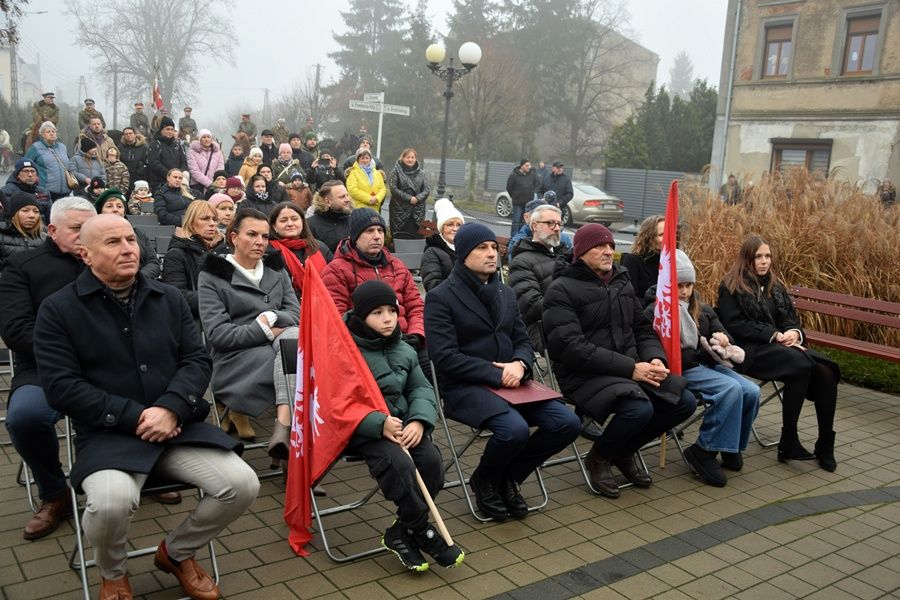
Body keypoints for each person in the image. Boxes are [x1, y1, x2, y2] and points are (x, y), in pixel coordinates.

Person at [33, 213, 258, 600]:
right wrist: (136, 415)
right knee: (110, 503)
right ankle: (113, 573)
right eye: (113, 242)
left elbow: (196, 361)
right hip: (109, 435)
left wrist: (170, 409)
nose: (128, 249)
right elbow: (62, 387)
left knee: (242, 484)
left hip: (176, 428)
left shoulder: (167, 298)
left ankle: (176, 552)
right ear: (85, 254)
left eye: (131, 240)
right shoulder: (59, 310)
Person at [425, 223, 581, 520]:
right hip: (466, 386)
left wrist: (520, 364)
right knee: (514, 430)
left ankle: (509, 478)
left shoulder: (504, 292)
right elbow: (444, 357)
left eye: (494, 248)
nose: (491, 254)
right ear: (463, 254)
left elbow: (522, 339)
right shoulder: (441, 297)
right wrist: (498, 374)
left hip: (513, 380)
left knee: (567, 422)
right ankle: (484, 480)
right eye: (481, 248)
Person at [542, 224, 696, 498]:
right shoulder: (561, 289)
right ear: (581, 252)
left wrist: (655, 358)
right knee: (639, 409)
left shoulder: (621, 281)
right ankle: (599, 457)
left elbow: (641, 328)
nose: (608, 251)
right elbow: (572, 348)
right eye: (599, 246)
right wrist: (631, 368)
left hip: (629, 367)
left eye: (611, 246)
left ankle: (622, 449)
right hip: (584, 373)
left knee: (683, 402)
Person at [345, 280, 464, 571]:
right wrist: (378, 423)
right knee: (399, 464)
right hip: (362, 430)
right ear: (361, 317)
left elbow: (420, 389)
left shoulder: (404, 348)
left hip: (404, 425)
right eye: (377, 313)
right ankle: (421, 529)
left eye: (392, 311)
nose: (388, 319)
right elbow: (339, 400)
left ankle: (400, 533)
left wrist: (420, 421)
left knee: (433, 463)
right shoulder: (344, 351)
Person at [0, 197, 93, 540]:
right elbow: (16, 330)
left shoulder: (110, 260)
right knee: (25, 418)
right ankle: (54, 492)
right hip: (45, 367)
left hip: (108, 364)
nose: (86, 236)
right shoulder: (23, 266)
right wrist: (72, 354)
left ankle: (141, 472)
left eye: (91, 228)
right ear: (52, 230)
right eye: (76, 229)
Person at [717, 236, 839, 471]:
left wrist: (793, 333)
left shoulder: (776, 286)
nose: (764, 262)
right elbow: (735, 324)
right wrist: (773, 335)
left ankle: (825, 442)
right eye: (758, 257)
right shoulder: (731, 285)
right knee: (800, 363)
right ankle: (789, 439)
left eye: (767, 256)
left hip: (781, 350)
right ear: (747, 258)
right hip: (750, 351)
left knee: (826, 370)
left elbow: (790, 318)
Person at [646, 251, 760, 487]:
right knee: (730, 389)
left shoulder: (701, 307)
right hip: (683, 368)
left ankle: (731, 445)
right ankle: (704, 449)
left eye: (689, 285)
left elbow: (721, 331)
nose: (685, 291)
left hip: (708, 364)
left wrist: (723, 339)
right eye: (680, 285)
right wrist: (699, 349)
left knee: (751, 391)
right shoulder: (658, 312)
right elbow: (661, 348)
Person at [199, 208, 300, 442]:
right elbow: (219, 335)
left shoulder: (276, 270)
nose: (260, 242)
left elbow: (295, 313)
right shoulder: (213, 276)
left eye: (265, 237)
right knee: (301, 362)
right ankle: (291, 434)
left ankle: (285, 427)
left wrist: (270, 317)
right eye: (252, 234)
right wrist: (265, 329)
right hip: (236, 360)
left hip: (279, 350)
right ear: (234, 238)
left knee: (293, 342)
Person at [322, 208, 425, 355]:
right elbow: (337, 317)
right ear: (355, 236)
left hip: (406, 341)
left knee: (436, 367)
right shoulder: (336, 270)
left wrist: (416, 334)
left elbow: (416, 306)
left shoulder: (397, 266)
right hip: (365, 347)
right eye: (369, 231)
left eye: (380, 231)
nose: (377, 236)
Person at [508, 203, 566, 353]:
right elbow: (533, 306)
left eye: (559, 223)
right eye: (550, 223)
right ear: (534, 226)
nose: (557, 228)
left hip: (570, 322)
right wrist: (572, 304)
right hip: (541, 328)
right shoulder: (521, 262)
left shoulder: (566, 255)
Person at [161, 200, 225, 321]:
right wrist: (220, 298)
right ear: (191, 223)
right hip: (196, 321)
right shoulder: (177, 254)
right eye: (205, 219)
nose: (212, 223)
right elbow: (177, 295)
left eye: (214, 219)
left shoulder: (225, 250)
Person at [94, 188, 161, 280]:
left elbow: (154, 263)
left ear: (124, 212)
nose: (115, 210)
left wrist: (136, 279)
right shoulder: (94, 234)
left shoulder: (138, 233)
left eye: (119, 206)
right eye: (109, 206)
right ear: (100, 212)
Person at [268, 201, 332, 296]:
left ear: (302, 222)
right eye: (283, 220)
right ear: (274, 226)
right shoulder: (269, 251)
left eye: (294, 219)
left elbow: (333, 281)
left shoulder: (320, 248)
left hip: (324, 304)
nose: (290, 224)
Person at [507, 194, 573, 261]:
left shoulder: (564, 240)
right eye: (549, 222)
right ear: (527, 217)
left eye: (558, 223)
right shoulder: (519, 244)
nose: (556, 228)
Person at [24, 121, 75, 200]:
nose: (52, 133)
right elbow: (25, 165)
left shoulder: (62, 147)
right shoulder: (35, 148)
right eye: (48, 132)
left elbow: (68, 163)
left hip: (65, 191)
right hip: (46, 192)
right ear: (42, 134)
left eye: (53, 131)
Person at [421, 198, 463, 292]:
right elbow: (432, 285)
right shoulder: (432, 252)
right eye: (450, 224)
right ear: (442, 228)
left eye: (459, 225)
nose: (455, 229)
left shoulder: (466, 249)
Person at [389, 148, 431, 240]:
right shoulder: (395, 172)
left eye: (412, 157)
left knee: (417, 236)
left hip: (417, 211)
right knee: (400, 237)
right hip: (399, 211)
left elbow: (427, 189)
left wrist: (417, 198)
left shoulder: (422, 173)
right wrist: (409, 198)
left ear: (415, 159)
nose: (410, 159)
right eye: (408, 157)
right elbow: (393, 188)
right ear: (402, 158)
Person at [621, 214, 665, 301]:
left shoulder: (675, 261)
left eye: (669, 234)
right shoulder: (633, 261)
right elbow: (630, 298)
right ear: (648, 237)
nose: (667, 238)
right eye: (661, 235)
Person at [0, 191, 47, 272]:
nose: (32, 215)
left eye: (36, 211)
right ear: (13, 214)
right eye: (25, 210)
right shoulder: (2, 237)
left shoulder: (46, 238)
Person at [306, 180, 352, 253]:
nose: (347, 200)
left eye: (347, 195)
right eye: (342, 197)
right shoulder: (310, 225)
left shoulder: (353, 220)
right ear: (328, 201)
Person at [2, 158, 52, 223]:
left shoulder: (44, 192)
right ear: (18, 175)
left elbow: (51, 216)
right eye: (26, 171)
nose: (30, 175)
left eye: (33, 171)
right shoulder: (6, 192)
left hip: (43, 230)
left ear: (37, 176)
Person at [147, 116, 188, 191]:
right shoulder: (155, 144)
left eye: (172, 129)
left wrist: (180, 174)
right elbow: (154, 163)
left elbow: (184, 162)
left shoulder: (177, 145)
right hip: (160, 183)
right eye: (167, 129)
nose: (170, 131)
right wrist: (170, 174)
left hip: (178, 182)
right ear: (161, 130)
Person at [187, 129, 225, 195]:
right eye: (204, 137)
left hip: (215, 187)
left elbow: (220, 169)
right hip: (198, 187)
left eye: (208, 137)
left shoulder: (218, 152)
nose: (206, 139)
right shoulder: (192, 152)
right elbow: (194, 171)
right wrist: (209, 183)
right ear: (200, 139)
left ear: (211, 139)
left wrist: (215, 183)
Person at [506, 159, 536, 236]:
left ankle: (521, 237)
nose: (529, 167)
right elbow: (509, 188)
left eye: (529, 165)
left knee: (524, 221)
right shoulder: (513, 175)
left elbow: (535, 185)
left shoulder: (532, 175)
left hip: (528, 203)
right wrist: (515, 196)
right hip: (517, 203)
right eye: (527, 165)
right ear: (521, 166)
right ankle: (513, 237)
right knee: (516, 220)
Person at [118, 127, 149, 196]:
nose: (129, 135)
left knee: (142, 202)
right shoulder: (120, 148)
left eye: (130, 133)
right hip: (125, 180)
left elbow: (148, 163)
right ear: (123, 136)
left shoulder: (144, 147)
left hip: (140, 179)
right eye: (126, 134)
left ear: (135, 135)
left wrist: (142, 170)